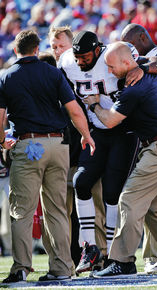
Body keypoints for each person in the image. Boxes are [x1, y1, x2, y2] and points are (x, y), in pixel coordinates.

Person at [83, 41, 157, 278]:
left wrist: (93, 105)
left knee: (129, 200)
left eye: (112, 67)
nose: (110, 72)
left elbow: (110, 120)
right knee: (156, 208)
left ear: (126, 62)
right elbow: (151, 62)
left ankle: (122, 261)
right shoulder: (145, 69)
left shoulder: (134, 86)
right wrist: (143, 65)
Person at [0, 29, 95, 283]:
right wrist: (86, 135)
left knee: (22, 211)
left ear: (15, 50)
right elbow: (74, 110)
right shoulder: (53, 73)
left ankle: (21, 267)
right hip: (58, 145)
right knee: (57, 210)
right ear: (36, 48)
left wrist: (1, 141)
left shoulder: (7, 76)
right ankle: (63, 268)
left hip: (28, 145)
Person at [60, 30, 140, 274]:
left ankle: (114, 254)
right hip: (96, 130)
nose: (81, 62)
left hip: (124, 130)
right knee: (81, 182)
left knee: (112, 192)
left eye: (85, 56)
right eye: (77, 58)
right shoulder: (66, 62)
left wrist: (143, 68)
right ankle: (91, 248)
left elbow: (142, 59)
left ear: (97, 50)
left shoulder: (113, 55)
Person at [120, 23, 157, 274]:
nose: (130, 50)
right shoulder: (146, 59)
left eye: (131, 43)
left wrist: (143, 67)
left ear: (143, 37)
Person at [48, 26, 107, 266]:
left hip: (88, 146)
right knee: (63, 212)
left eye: (61, 46)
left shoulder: (86, 65)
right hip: (64, 153)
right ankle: (67, 261)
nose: (57, 51)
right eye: (53, 46)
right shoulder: (53, 71)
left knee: (97, 204)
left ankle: (103, 255)